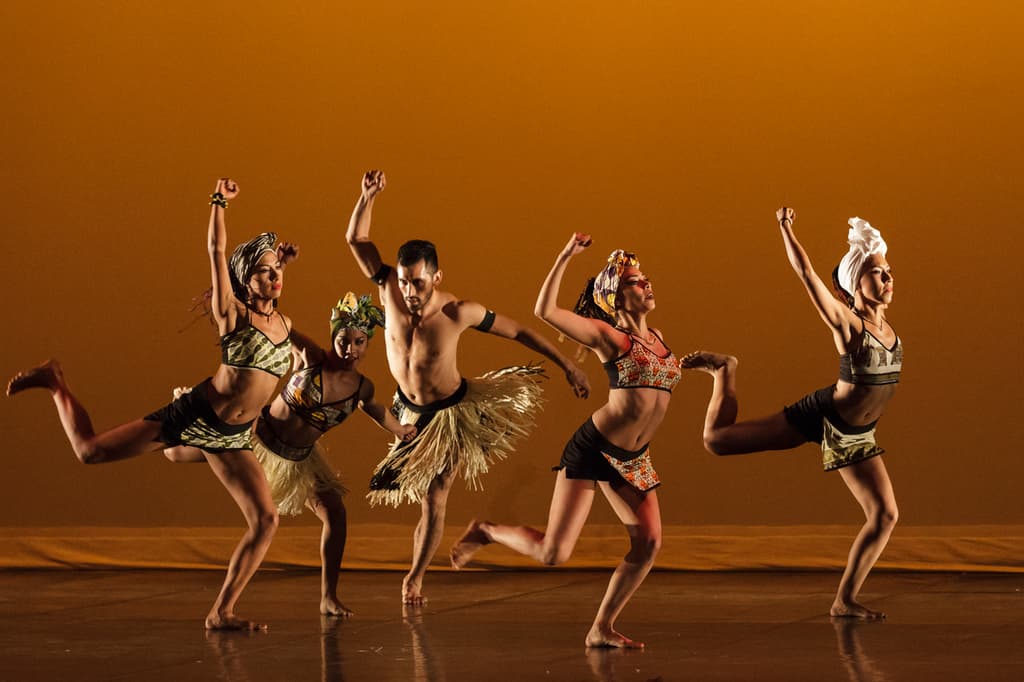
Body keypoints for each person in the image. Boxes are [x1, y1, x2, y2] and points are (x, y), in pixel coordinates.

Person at [6, 178, 297, 631]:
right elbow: (217, 251)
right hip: (195, 415)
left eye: (276, 270)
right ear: (244, 279)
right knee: (89, 451)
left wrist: (280, 260)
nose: (274, 277)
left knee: (266, 520)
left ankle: (221, 612)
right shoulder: (232, 314)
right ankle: (55, 381)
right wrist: (219, 203)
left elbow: (276, 283)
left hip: (232, 436)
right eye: (263, 271)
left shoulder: (284, 321)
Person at [345, 170, 591, 605]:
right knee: (418, 495)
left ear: (436, 278)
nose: (409, 291)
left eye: (417, 283)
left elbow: (518, 332)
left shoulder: (460, 311)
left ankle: (414, 578)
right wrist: (367, 198)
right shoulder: (387, 288)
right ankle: (424, 567)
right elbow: (357, 241)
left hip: (448, 415)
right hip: (406, 412)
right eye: (404, 281)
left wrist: (567, 363)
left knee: (435, 498)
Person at [451, 233, 680, 649]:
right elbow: (544, 310)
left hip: (633, 456)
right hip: (593, 449)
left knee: (648, 544)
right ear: (614, 298)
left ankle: (601, 628)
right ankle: (485, 529)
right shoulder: (610, 338)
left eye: (644, 278)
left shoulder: (659, 338)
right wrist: (565, 256)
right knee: (554, 554)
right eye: (634, 281)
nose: (645, 285)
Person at [682, 208, 901, 620]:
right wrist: (786, 228)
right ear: (855, 284)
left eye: (888, 270)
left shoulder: (888, 329)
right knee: (716, 442)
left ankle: (844, 601)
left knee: (885, 515)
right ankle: (725, 369)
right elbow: (807, 276)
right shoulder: (849, 325)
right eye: (877, 272)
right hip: (824, 418)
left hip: (858, 433)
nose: (888, 278)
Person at [166, 292, 417, 617]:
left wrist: (400, 430)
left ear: (367, 344)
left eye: (358, 342)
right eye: (343, 340)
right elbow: (281, 326)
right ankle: (180, 417)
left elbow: (377, 411)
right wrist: (237, 302)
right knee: (175, 453)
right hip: (256, 440)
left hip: (300, 461)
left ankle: (328, 597)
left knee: (335, 514)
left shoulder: (362, 388)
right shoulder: (311, 358)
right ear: (333, 336)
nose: (350, 349)